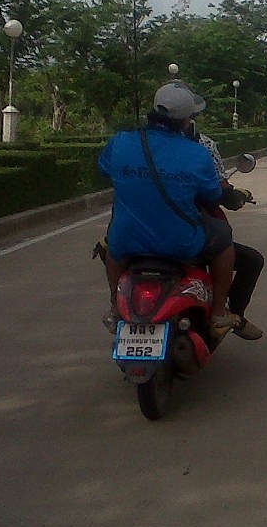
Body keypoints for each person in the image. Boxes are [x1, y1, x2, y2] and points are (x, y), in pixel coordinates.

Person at [98, 81, 242, 339]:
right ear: (187, 119)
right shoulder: (197, 153)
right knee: (224, 237)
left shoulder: (120, 142)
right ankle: (219, 312)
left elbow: (104, 170)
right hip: (181, 243)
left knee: (111, 243)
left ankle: (114, 307)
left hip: (127, 240)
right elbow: (213, 193)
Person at [189, 122, 264, 340]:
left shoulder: (136, 146)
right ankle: (225, 314)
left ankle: (114, 308)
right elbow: (219, 191)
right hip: (186, 231)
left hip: (140, 232)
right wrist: (233, 195)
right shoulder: (199, 146)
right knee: (237, 252)